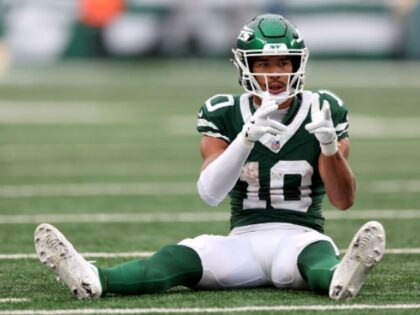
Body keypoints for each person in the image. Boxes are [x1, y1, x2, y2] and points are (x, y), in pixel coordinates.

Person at [34, 14, 385, 300]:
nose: (275, 73)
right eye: (263, 63)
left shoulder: (322, 109)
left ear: (298, 64)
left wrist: (328, 147)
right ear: (245, 66)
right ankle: (95, 278)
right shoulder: (225, 111)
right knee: (177, 257)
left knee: (317, 261)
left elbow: (343, 200)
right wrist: (245, 138)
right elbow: (210, 192)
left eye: (284, 62)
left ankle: (341, 276)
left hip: (301, 237)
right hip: (244, 242)